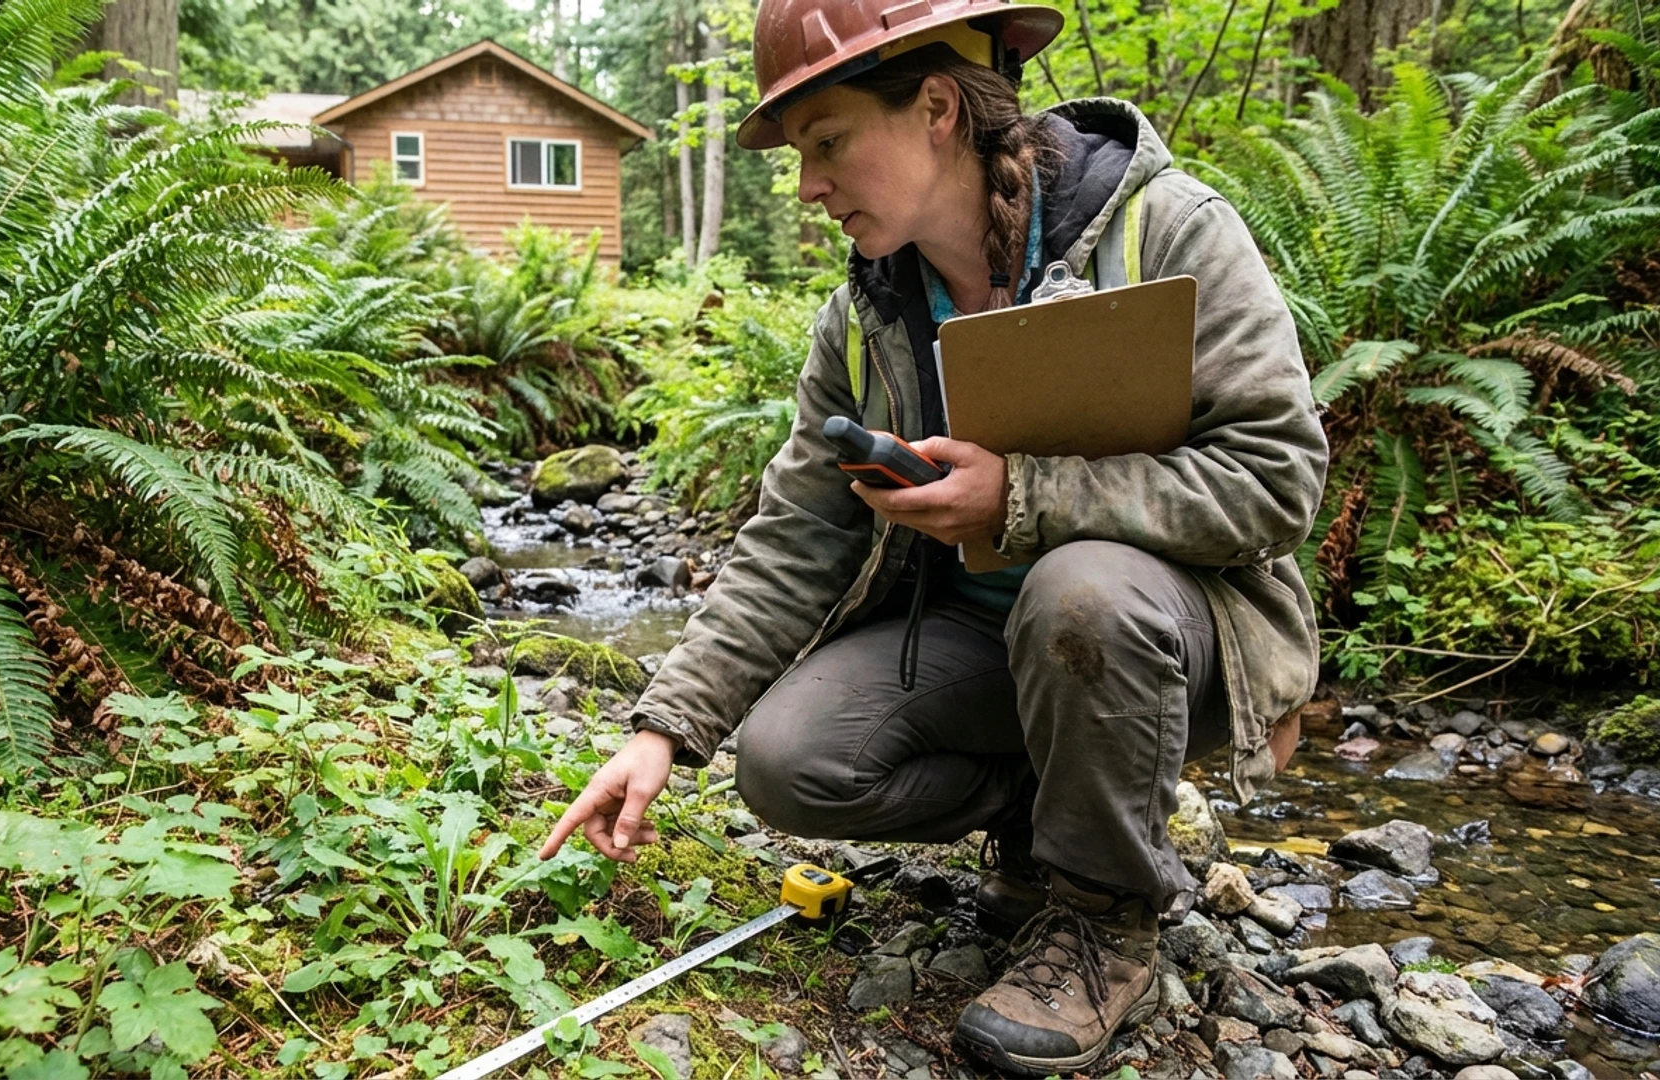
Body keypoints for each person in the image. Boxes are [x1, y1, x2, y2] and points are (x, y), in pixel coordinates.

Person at [540, 0, 1327, 1071]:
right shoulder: (867, 315)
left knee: (1084, 592)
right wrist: (664, 729)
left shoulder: (1168, 232)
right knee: (790, 761)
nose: (807, 186)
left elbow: (1276, 481)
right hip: (981, 647)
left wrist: (1021, 498)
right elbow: (797, 535)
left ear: (940, 109)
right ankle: (1049, 823)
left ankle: (1105, 919)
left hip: (1167, 640)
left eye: (827, 143)